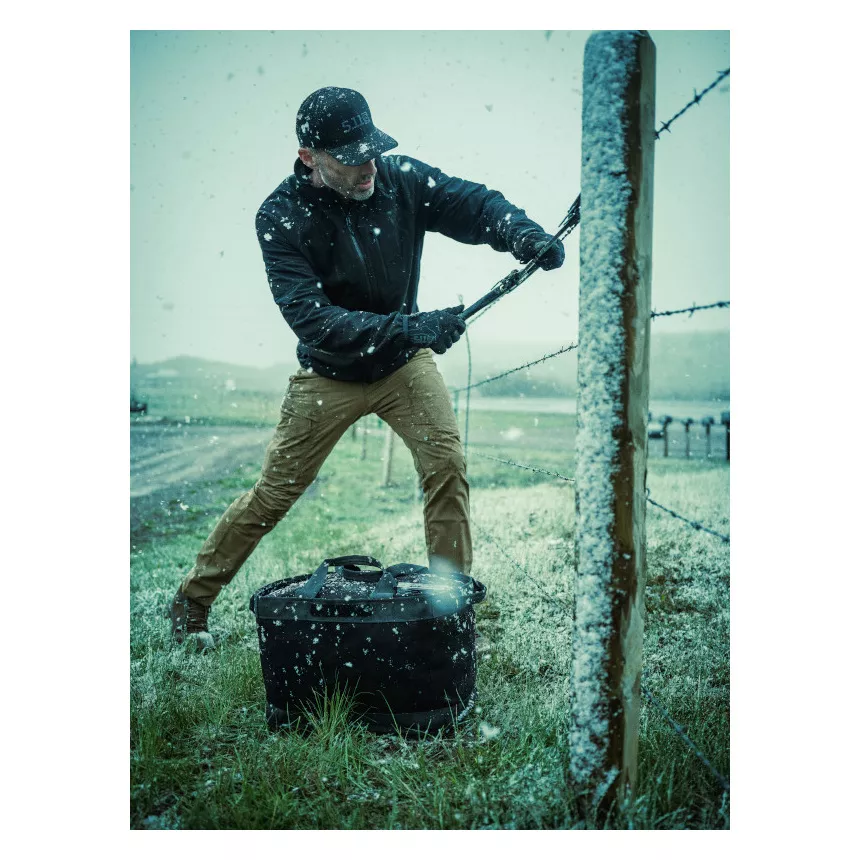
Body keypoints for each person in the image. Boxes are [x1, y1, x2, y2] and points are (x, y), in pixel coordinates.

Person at [170, 86, 565, 649]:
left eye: (373, 152)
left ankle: (451, 615)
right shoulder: (280, 216)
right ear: (310, 157)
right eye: (351, 159)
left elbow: (474, 205)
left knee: (446, 467)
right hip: (327, 374)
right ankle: (192, 601)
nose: (368, 169)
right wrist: (410, 327)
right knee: (273, 494)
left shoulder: (401, 179)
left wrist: (518, 232)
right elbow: (313, 320)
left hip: (404, 367)